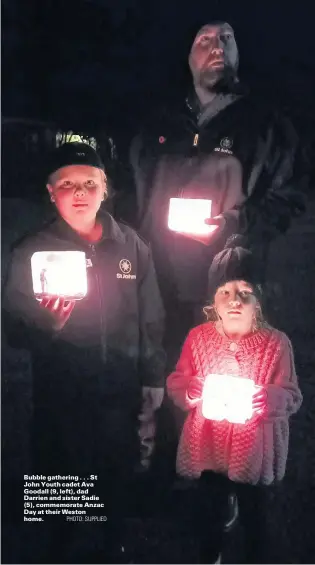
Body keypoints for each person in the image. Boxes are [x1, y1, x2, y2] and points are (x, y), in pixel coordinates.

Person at [2, 142, 165, 563]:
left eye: (90, 183)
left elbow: (151, 316)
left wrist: (152, 377)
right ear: (51, 191)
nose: (80, 192)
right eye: (68, 184)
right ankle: (59, 543)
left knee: (116, 464)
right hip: (61, 387)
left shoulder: (131, 245)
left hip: (119, 382)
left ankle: (113, 542)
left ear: (105, 189)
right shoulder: (31, 250)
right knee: (58, 465)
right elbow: (11, 328)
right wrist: (47, 326)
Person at [166, 248, 303, 564]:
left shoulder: (276, 344)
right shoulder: (198, 339)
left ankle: (256, 554)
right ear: (212, 301)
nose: (234, 301)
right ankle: (210, 554)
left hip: (252, 451)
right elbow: (177, 380)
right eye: (225, 293)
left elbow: (292, 395)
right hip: (208, 446)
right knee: (209, 512)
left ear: (260, 301)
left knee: (256, 515)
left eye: (245, 293)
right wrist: (190, 388)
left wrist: (269, 398)